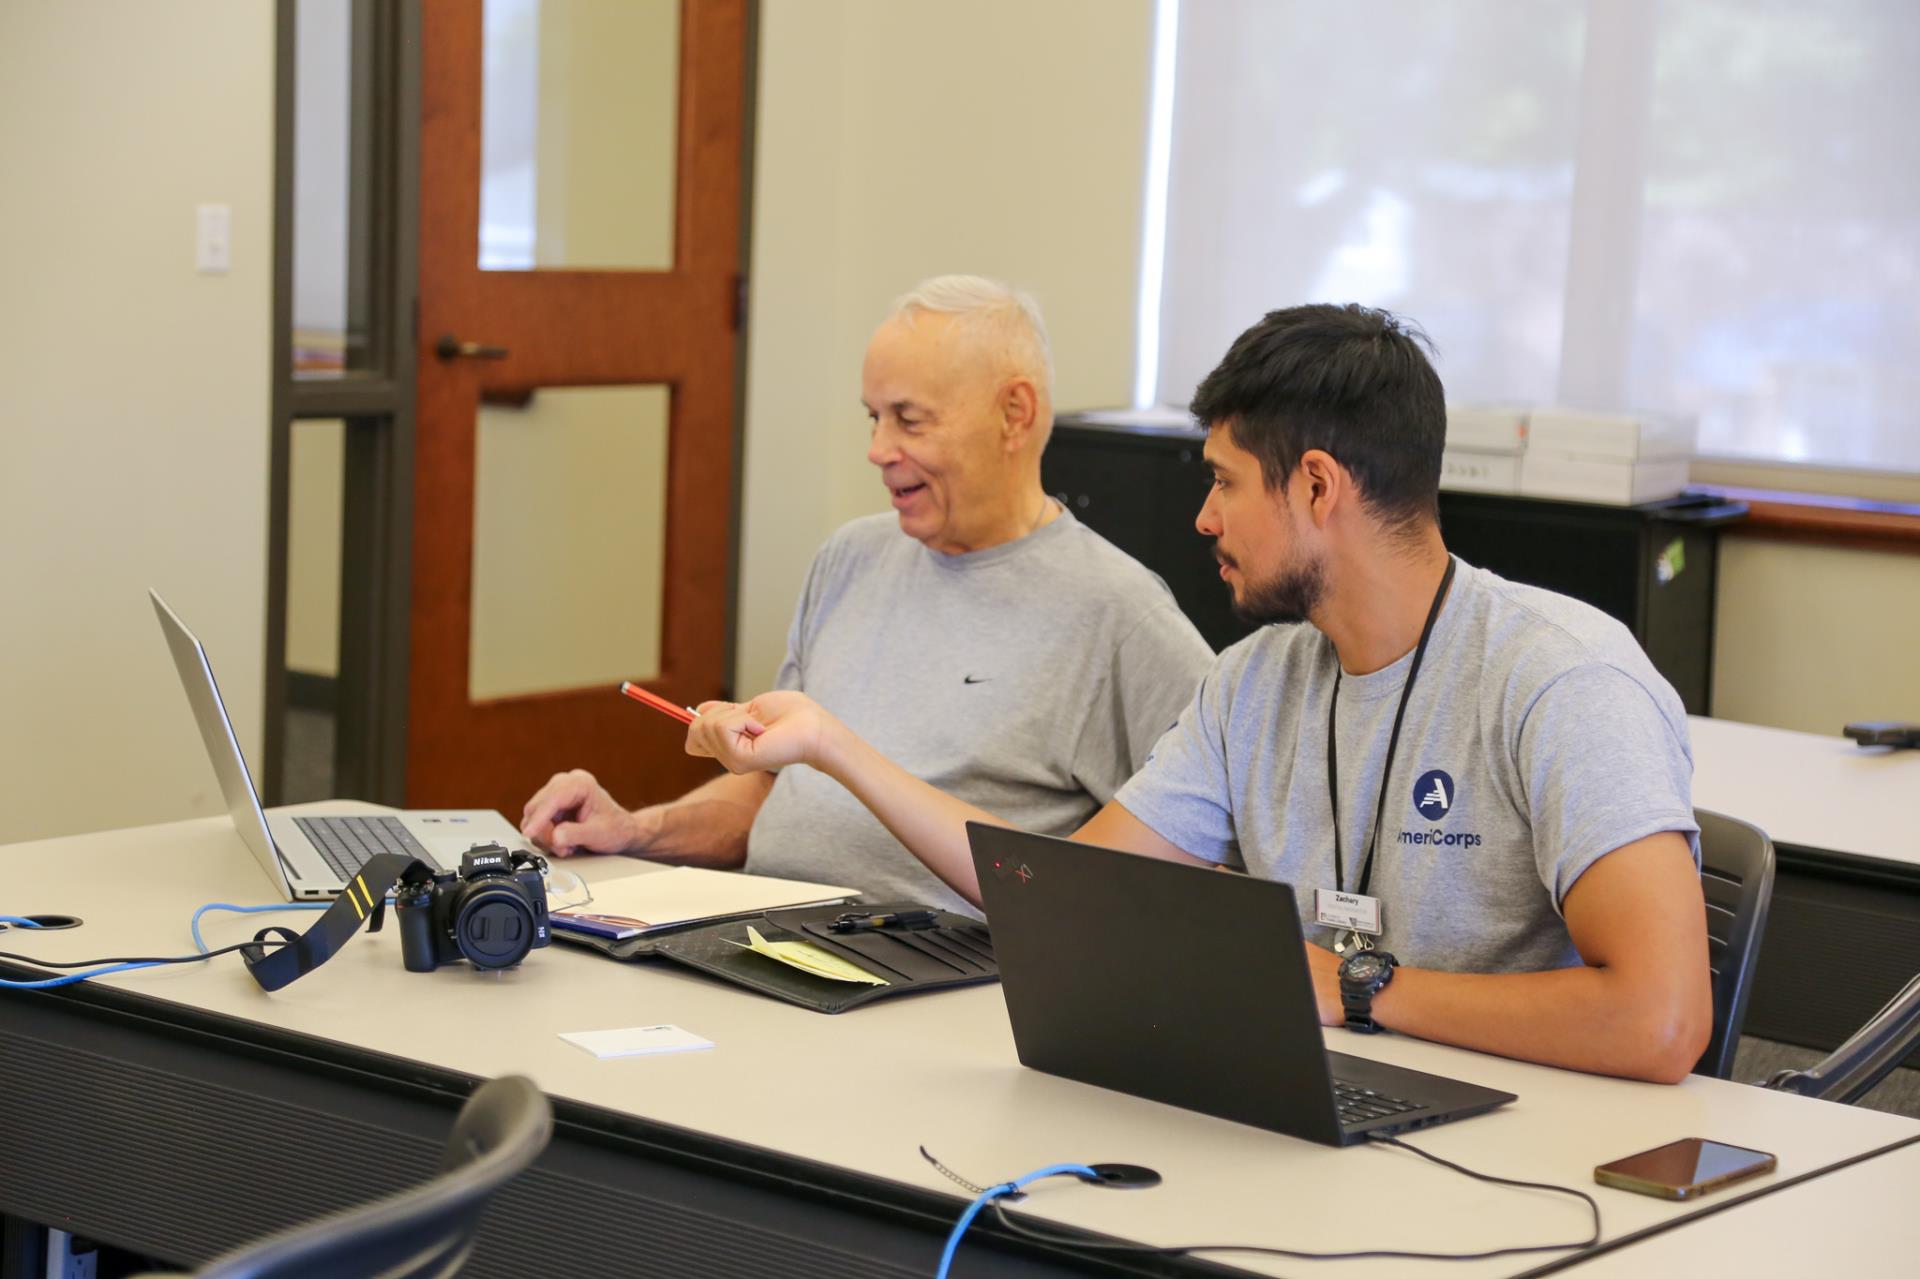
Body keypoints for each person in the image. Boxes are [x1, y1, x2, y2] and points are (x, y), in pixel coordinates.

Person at [684, 303, 1713, 1084]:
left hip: (1524, 1134)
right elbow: (1058, 895)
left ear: (1317, 486)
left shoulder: (1561, 679)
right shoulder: (1256, 681)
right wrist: (834, 748)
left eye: (1224, 481)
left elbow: (1661, 1020)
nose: (1203, 519)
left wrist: (1358, 988)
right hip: (1326, 1092)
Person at [519, 275, 1214, 916]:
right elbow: (773, 792)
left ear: (1014, 414)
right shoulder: (849, 557)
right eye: (873, 417)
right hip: (763, 935)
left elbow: (1200, 853)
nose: (878, 449)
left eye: (909, 420)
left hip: (941, 975)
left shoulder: (1118, 614)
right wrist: (637, 830)